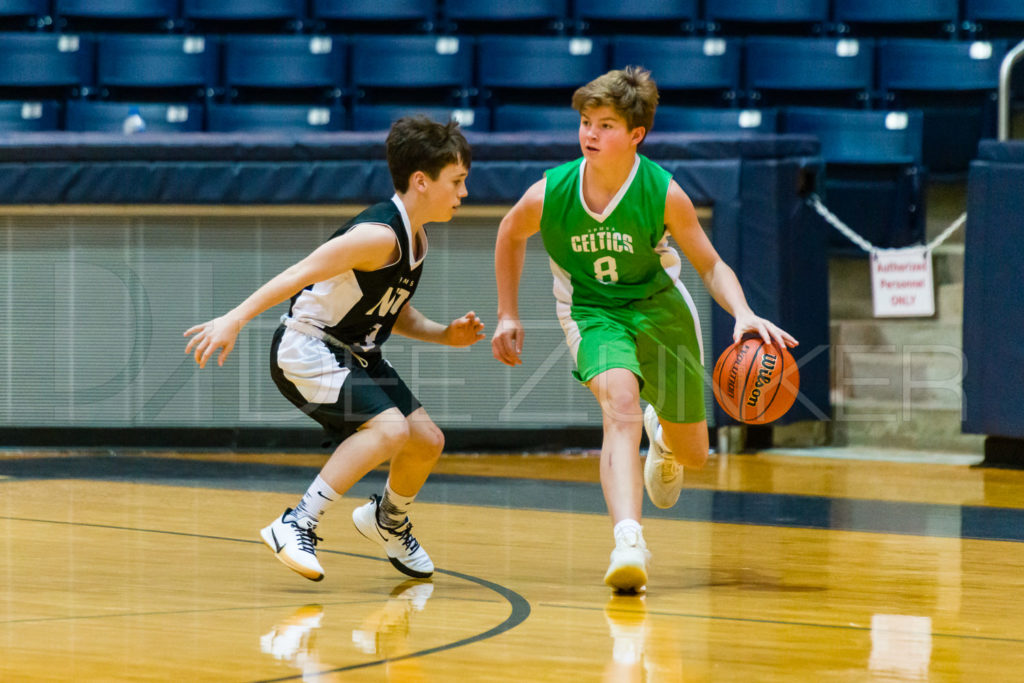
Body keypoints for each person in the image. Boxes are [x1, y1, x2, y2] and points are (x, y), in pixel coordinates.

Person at [491, 67, 797, 593]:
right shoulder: (549, 192)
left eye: (606, 125)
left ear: (636, 135)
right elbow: (509, 233)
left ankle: (667, 441)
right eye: (586, 122)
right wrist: (507, 312)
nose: (590, 133)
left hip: (660, 311)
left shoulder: (663, 193)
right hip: (592, 311)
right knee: (620, 409)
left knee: (697, 455)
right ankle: (628, 541)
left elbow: (710, 264)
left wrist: (743, 312)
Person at [185, 116, 484, 582]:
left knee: (427, 441)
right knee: (389, 431)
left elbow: (393, 311)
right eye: (458, 181)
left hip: (357, 352)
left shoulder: (416, 236)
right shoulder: (378, 235)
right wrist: (233, 319)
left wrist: (445, 334)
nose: (464, 192)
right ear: (422, 181)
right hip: (308, 347)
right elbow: (297, 273)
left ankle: (385, 519)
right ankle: (296, 522)